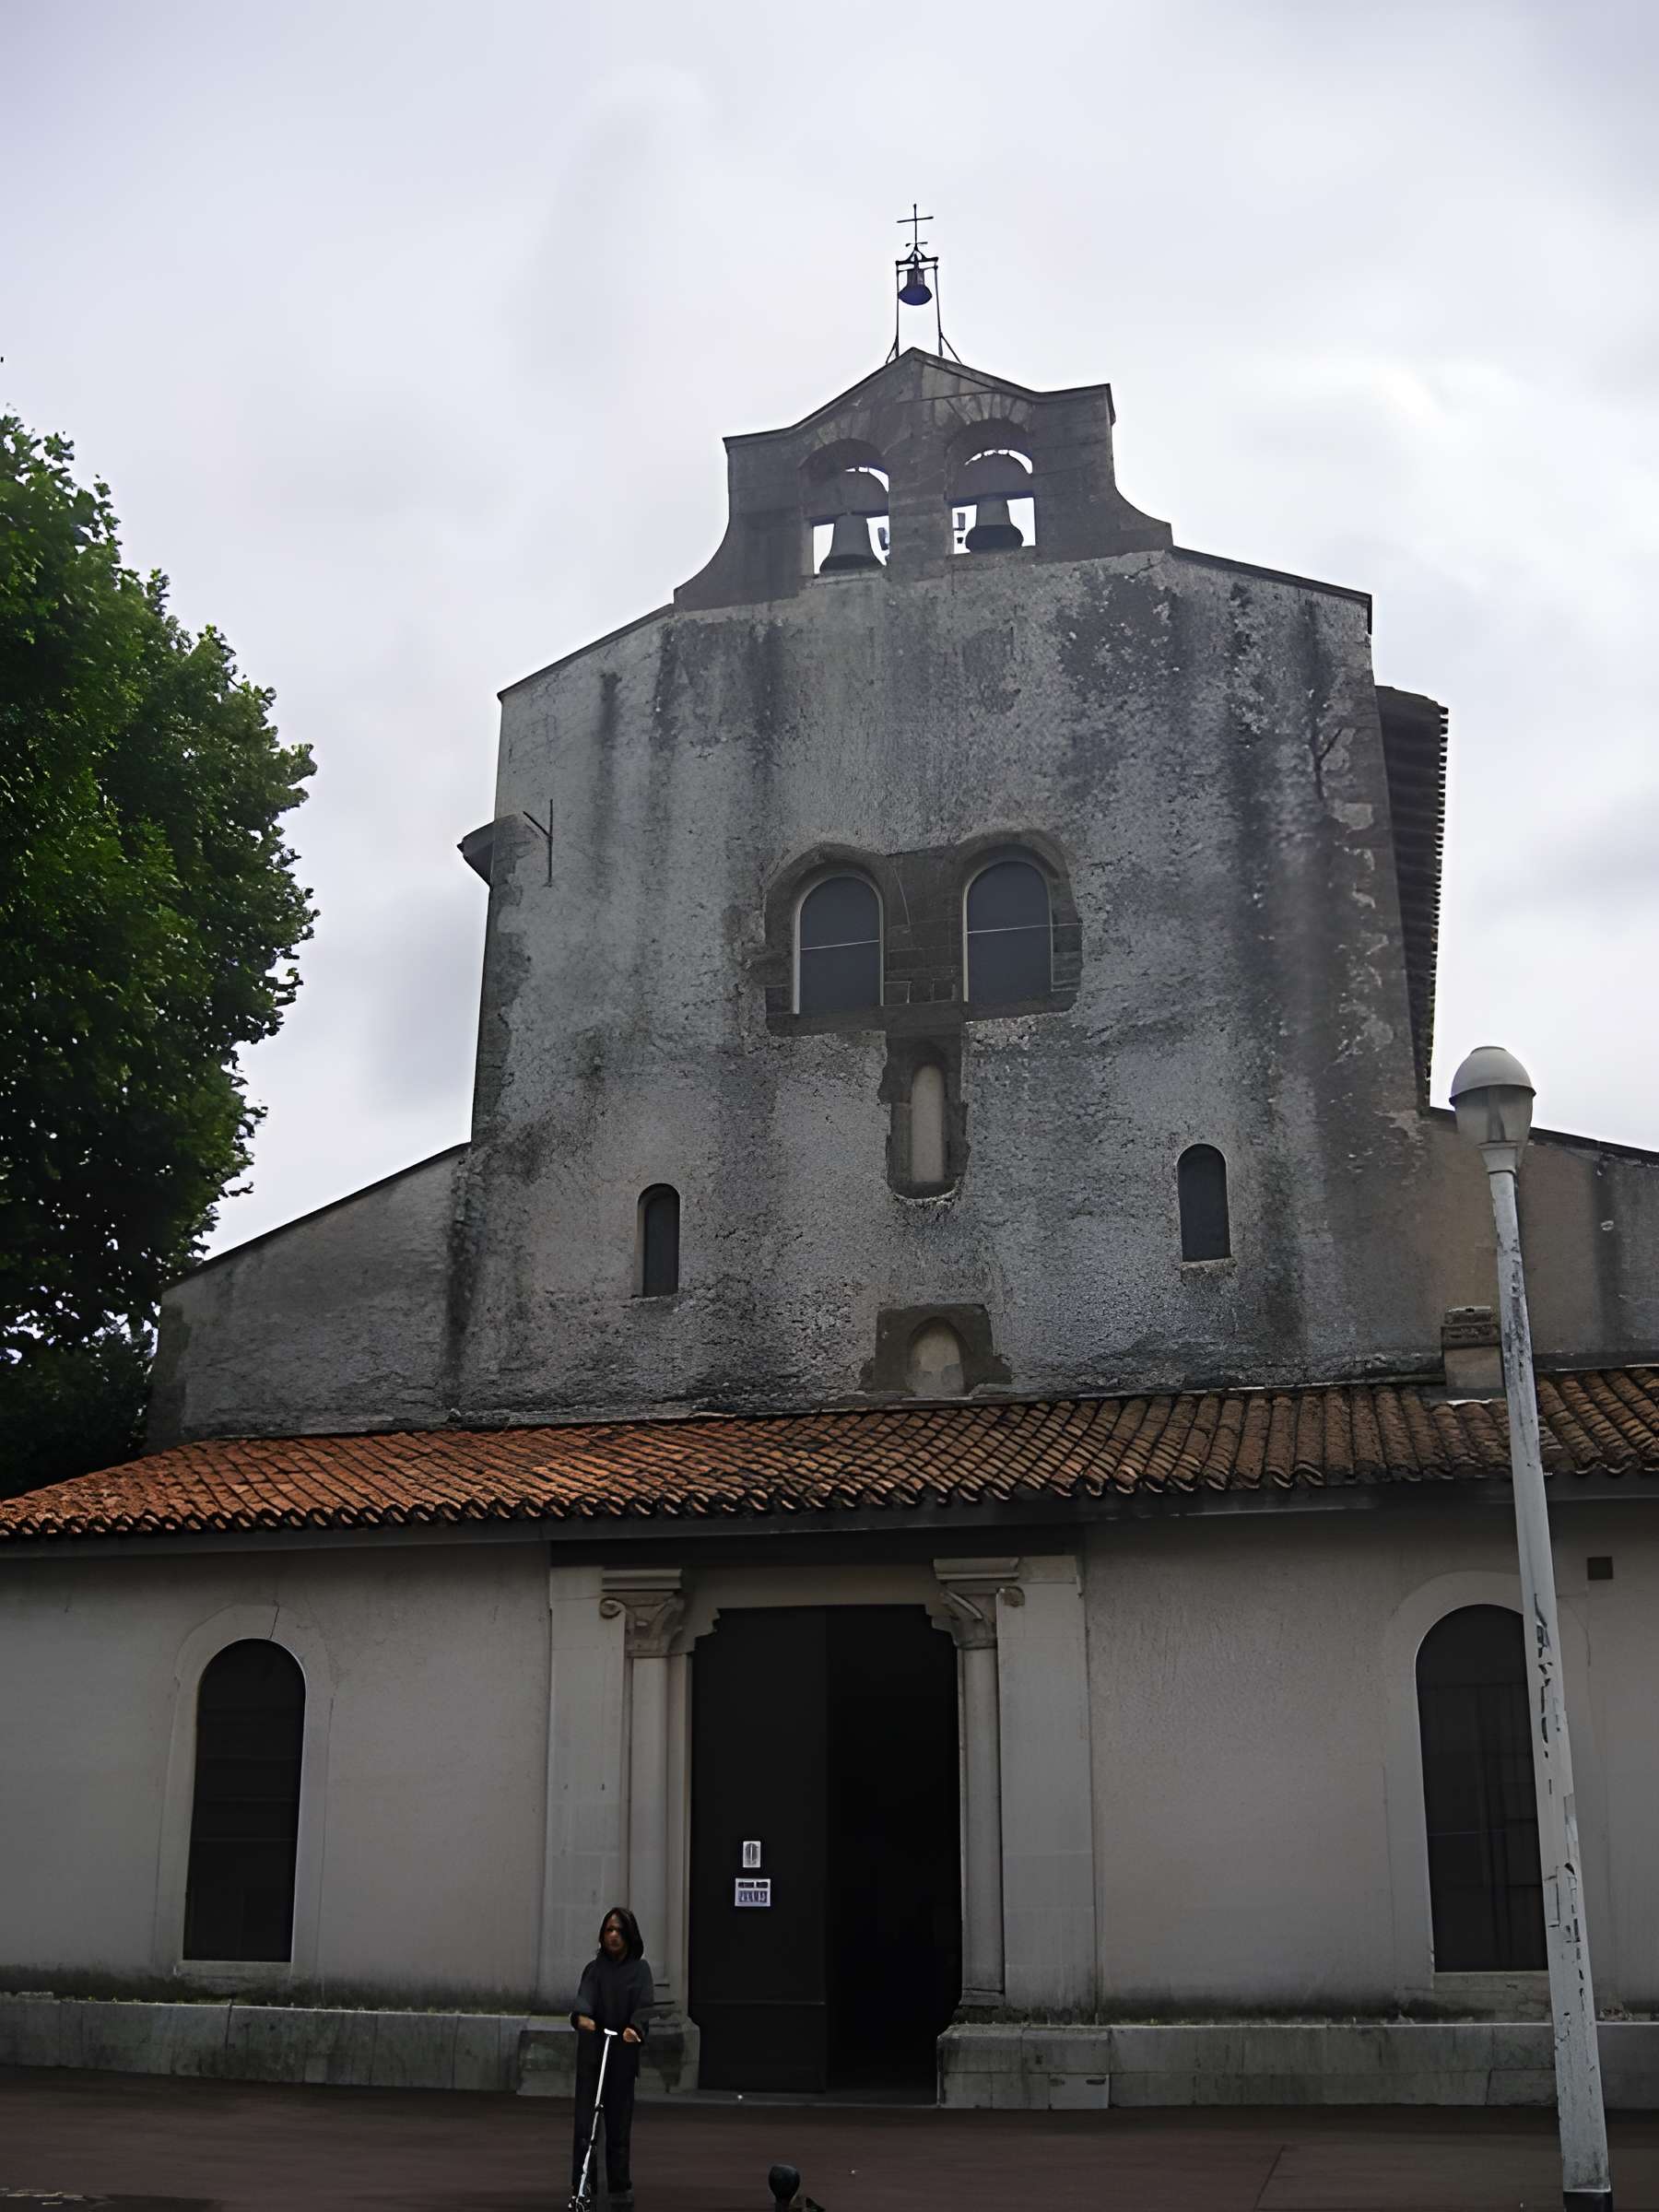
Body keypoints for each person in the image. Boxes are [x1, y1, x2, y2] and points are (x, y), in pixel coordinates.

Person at [571, 1905, 653, 2206]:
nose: (613, 1936)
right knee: (585, 2124)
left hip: (621, 2054)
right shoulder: (594, 1969)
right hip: (594, 2053)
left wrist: (636, 2028)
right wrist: (583, 2016)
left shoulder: (640, 1970)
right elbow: (585, 1997)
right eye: (609, 1930)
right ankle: (583, 2183)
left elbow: (644, 2005)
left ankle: (619, 2185)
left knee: (618, 2124)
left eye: (619, 1930)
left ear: (629, 1936)